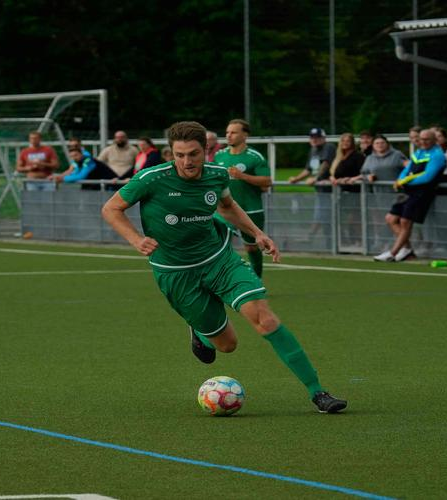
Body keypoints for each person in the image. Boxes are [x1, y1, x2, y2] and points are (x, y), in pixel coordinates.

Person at [101, 121, 347, 413]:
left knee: (265, 319)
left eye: (193, 154)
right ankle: (199, 331)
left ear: (205, 150)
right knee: (227, 345)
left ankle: (318, 392)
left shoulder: (216, 174)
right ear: (172, 153)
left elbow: (227, 206)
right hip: (175, 272)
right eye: (179, 155)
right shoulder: (151, 178)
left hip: (219, 260)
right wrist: (136, 239)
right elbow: (111, 208)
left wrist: (257, 233)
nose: (186, 162)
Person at [373, 129, 446, 262]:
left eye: (427, 139)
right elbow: (407, 169)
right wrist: (400, 179)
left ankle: (393, 253)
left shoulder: (437, 155)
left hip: (422, 192)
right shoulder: (418, 152)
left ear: (434, 140)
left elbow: (427, 177)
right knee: (390, 218)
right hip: (408, 191)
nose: (423, 142)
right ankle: (407, 249)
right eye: (421, 139)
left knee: (405, 221)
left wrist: (405, 181)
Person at [212, 119, 272, 277]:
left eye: (233, 132)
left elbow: (267, 181)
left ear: (245, 135)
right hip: (225, 210)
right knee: (219, 242)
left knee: (252, 247)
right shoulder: (219, 155)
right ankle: (220, 278)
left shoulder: (255, 157)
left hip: (251, 209)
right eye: (227, 132)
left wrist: (242, 176)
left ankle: (256, 279)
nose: (228, 135)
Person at [51, 148, 117, 190]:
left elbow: (81, 176)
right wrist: (59, 177)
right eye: (72, 156)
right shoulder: (78, 162)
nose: (74, 158)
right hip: (98, 185)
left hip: (111, 185)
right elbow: (76, 173)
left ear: (81, 154)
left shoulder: (88, 161)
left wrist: (63, 179)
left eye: (76, 155)